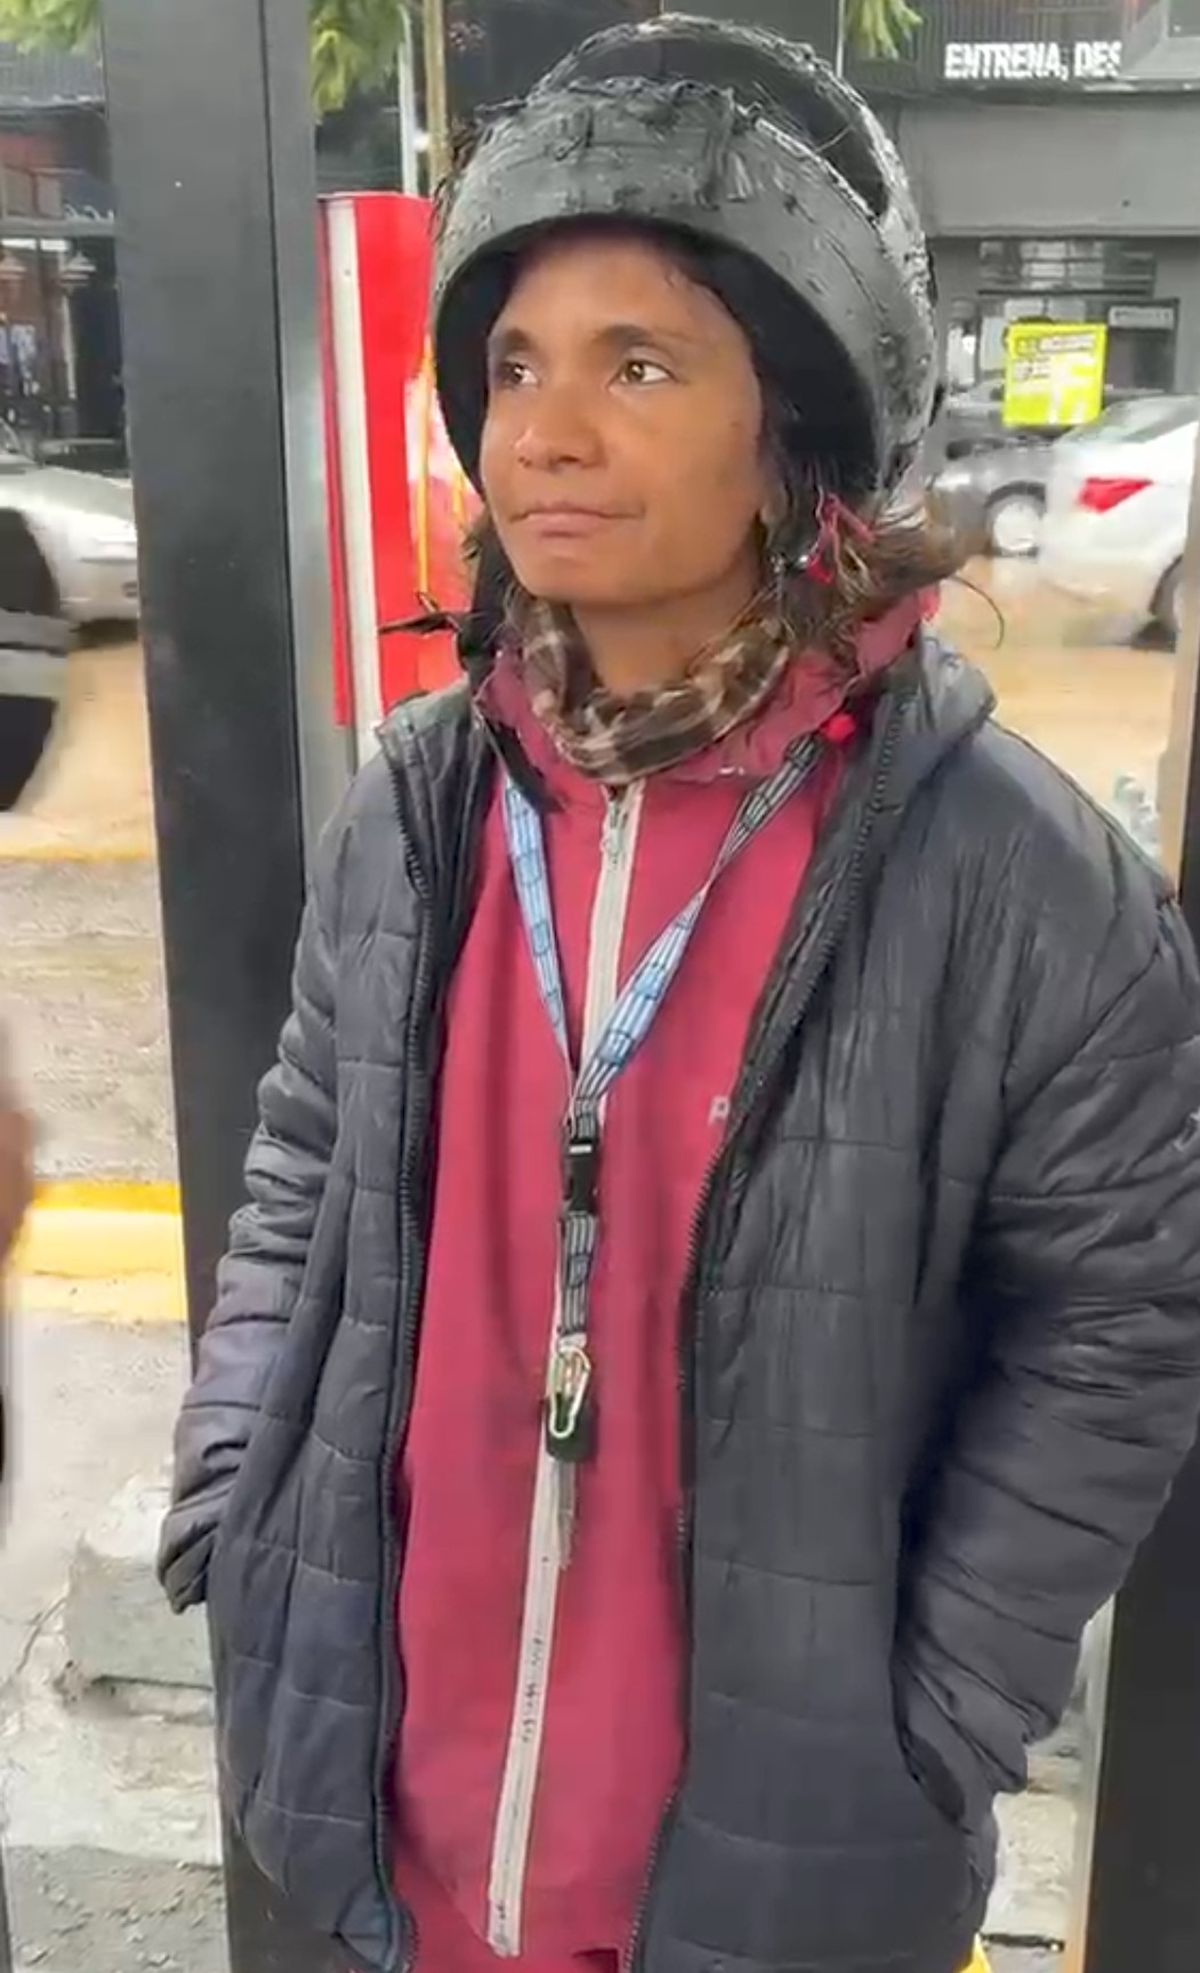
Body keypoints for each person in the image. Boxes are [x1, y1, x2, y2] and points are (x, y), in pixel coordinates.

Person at [159, 19, 1200, 1973]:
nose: (544, 433)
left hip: (772, 1871)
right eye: (514, 367)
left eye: (639, 366)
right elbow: (300, 1172)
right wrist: (238, 1494)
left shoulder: (1010, 876)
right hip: (398, 1839)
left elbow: (1120, 1324)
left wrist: (933, 1711)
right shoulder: (420, 809)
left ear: (795, 432)